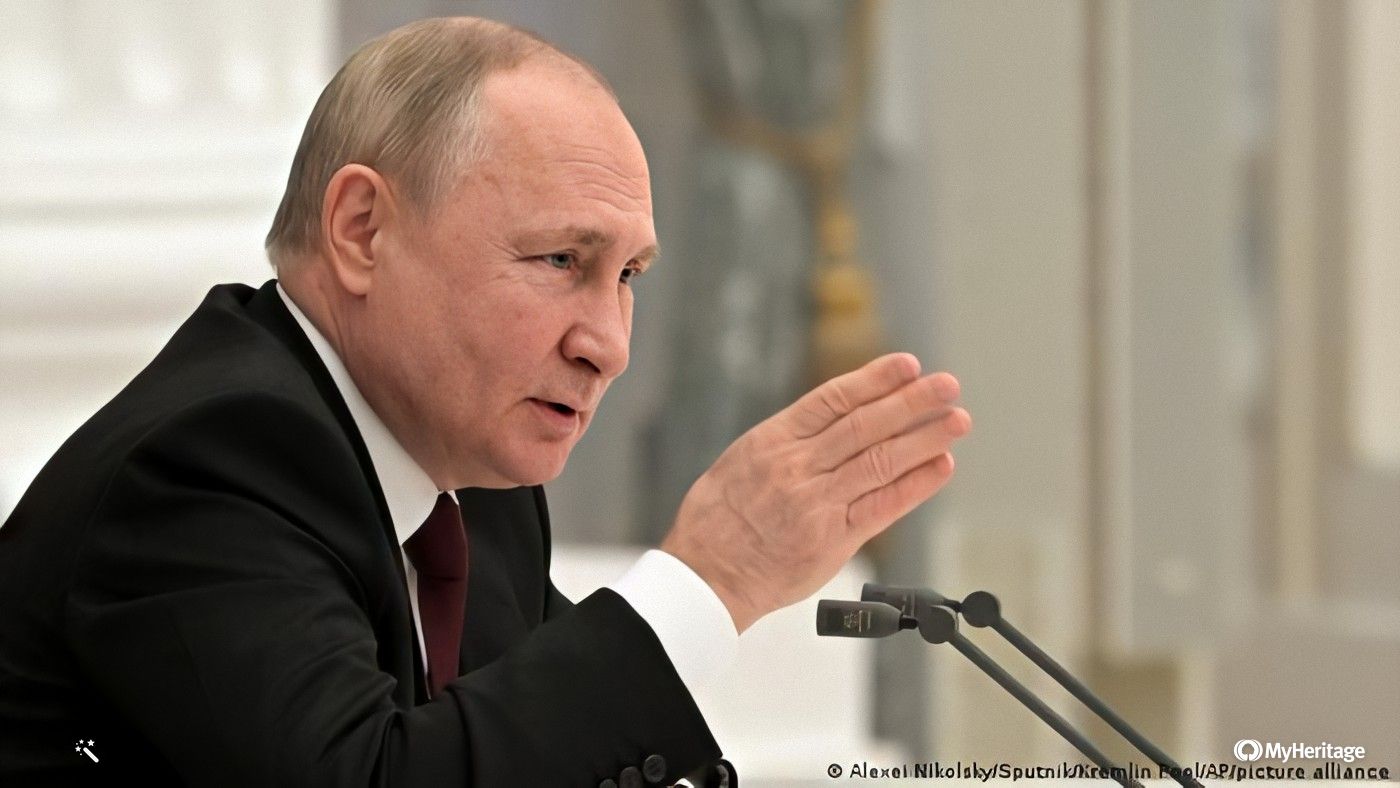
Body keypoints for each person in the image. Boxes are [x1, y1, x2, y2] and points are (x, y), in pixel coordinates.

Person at [0, 17, 970, 787]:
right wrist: (713, 575)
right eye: (561, 259)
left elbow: (532, 746)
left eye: (628, 275)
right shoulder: (214, 460)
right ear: (362, 229)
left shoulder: (471, 484)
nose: (608, 345)